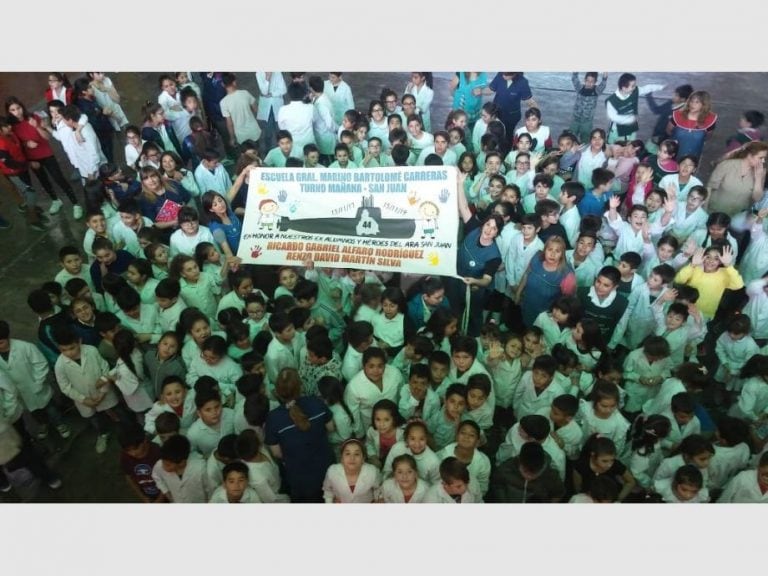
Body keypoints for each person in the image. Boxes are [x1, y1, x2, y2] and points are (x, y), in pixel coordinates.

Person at [5, 96, 82, 219]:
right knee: (43, 180)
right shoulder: (11, 126)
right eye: (13, 110)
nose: (17, 112)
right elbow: (15, 143)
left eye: (18, 108)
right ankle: (55, 200)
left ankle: (75, 204)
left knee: (59, 178)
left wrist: (37, 126)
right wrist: (26, 144)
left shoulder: (33, 117)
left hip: (46, 154)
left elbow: (47, 137)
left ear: (22, 107)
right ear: (9, 112)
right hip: (32, 158)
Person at [264, 367, 334, 502]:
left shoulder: (273, 418)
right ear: (300, 387)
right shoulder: (316, 403)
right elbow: (331, 428)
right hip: (327, 470)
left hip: (300, 479)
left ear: (277, 391)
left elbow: (277, 453)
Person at [52, 324, 122, 454]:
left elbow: (105, 369)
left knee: (116, 410)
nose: (69, 353)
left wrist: (103, 392)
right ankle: (103, 434)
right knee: (95, 419)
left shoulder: (92, 351)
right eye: (64, 350)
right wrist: (84, 400)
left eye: (72, 348)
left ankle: (123, 429)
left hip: (104, 393)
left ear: (79, 341)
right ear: (58, 348)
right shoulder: (60, 365)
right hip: (85, 401)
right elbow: (65, 387)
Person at [0, 321, 70, 440]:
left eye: (0, 342)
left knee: (50, 409)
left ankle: (60, 424)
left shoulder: (25, 347)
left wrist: (37, 382)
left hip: (37, 389)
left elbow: (41, 364)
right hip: (20, 394)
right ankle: (44, 424)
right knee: (35, 413)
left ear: (7, 337)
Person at [516, 236, 576, 328]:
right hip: (527, 306)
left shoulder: (567, 274)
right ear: (545, 250)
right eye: (550, 249)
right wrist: (518, 293)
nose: (552, 254)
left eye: (557, 251)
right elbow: (526, 274)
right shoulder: (536, 258)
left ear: (562, 254)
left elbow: (567, 302)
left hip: (546, 317)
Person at [707, 141, 768, 216]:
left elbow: (757, 198)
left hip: (737, 217)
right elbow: (709, 188)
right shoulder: (727, 165)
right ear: (750, 155)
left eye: (764, 158)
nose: (763, 161)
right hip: (714, 212)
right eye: (761, 158)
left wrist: (758, 179)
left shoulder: (761, 172)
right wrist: (704, 209)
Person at [605, 73, 665, 144]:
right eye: (632, 86)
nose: (635, 87)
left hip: (632, 129)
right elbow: (613, 117)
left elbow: (647, 88)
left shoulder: (635, 91)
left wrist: (661, 87)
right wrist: (629, 120)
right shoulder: (611, 100)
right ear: (624, 88)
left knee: (630, 148)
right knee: (615, 150)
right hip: (617, 131)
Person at [151, 434, 208, 503]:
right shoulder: (160, 464)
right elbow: (156, 476)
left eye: (168, 465)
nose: (163, 466)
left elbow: (209, 489)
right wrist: (166, 492)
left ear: (182, 463)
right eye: (163, 462)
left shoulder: (200, 469)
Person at [322, 438, 380, 503]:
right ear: (341, 458)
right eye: (347, 454)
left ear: (363, 459)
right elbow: (327, 490)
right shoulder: (332, 471)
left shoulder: (372, 472)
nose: (352, 458)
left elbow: (377, 489)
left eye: (357, 454)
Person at [117, 423, 163, 503]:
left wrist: (160, 499)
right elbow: (129, 477)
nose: (133, 453)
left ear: (144, 440)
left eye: (135, 448)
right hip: (147, 495)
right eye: (128, 450)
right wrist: (143, 497)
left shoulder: (158, 453)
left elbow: (168, 478)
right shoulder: (125, 457)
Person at [667, 90, 718, 160]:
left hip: (694, 154)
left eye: (697, 102)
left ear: (704, 105)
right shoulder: (678, 115)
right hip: (673, 153)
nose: (692, 104)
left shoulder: (710, 119)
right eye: (691, 101)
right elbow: (668, 131)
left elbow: (708, 136)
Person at [487, 73, 536, 140]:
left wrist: (536, 115)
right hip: (496, 113)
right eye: (503, 74)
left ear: (515, 74)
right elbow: (491, 89)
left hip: (511, 116)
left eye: (507, 75)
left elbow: (529, 101)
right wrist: (480, 91)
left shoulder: (522, 82)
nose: (503, 76)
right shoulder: (500, 75)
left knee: (508, 135)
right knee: (494, 133)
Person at [570, 72, 608, 144]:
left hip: (587, 122)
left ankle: (584, 153)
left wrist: (604, 78)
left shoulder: (597, 91)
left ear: (595, 82)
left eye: (592, 81)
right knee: (571, 137)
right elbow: (574, 79)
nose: (589, 83)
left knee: (585, 140)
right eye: (587, 81)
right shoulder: (579, 88)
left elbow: (603, 85)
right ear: (584, 80)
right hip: (575, 120)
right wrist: (575, 73)